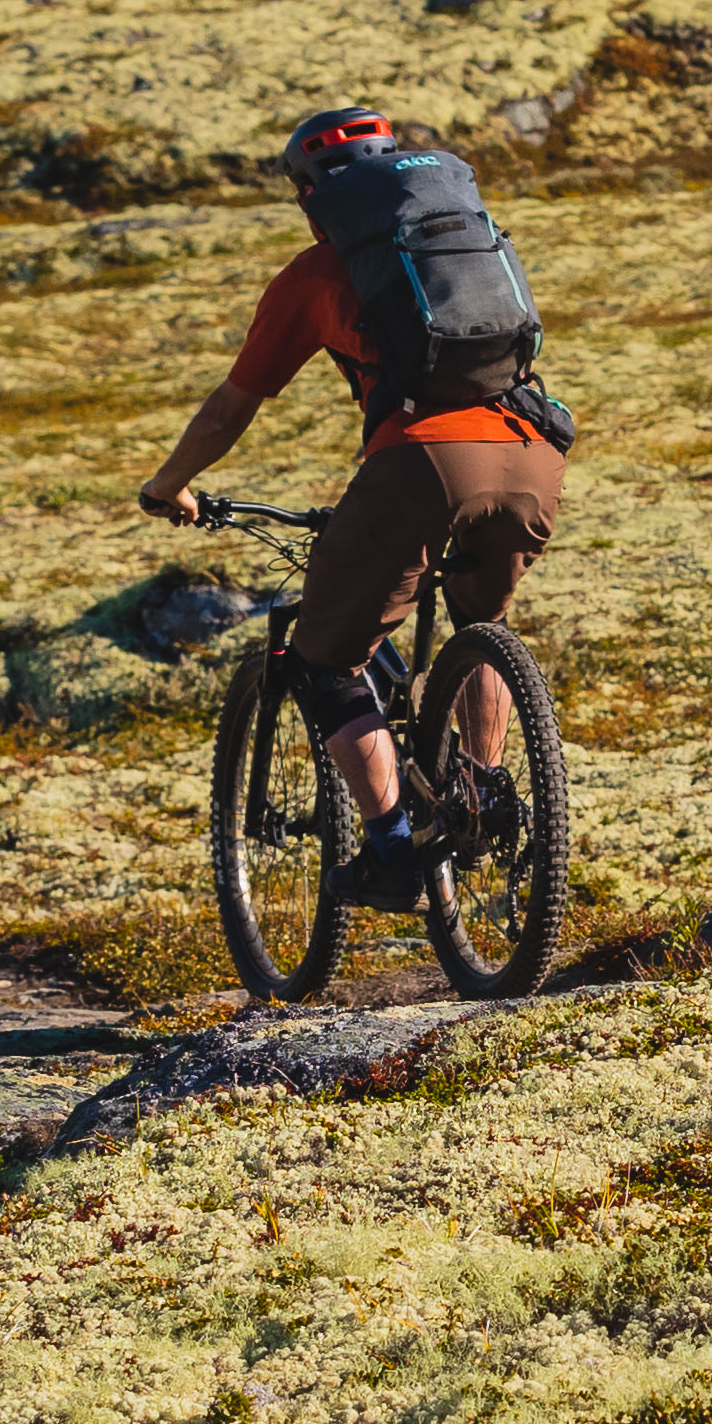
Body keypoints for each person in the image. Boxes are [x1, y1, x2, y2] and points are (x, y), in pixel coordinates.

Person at [137, 106, 566, 910]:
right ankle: (484, 790)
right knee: (482, 624)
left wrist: (170, 485)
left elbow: (230, 410)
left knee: (324, 661)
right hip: (531, 450)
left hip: (422, 464)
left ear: (311, 196)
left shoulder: (315, 273)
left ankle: (394, 853)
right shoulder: (464, 245)